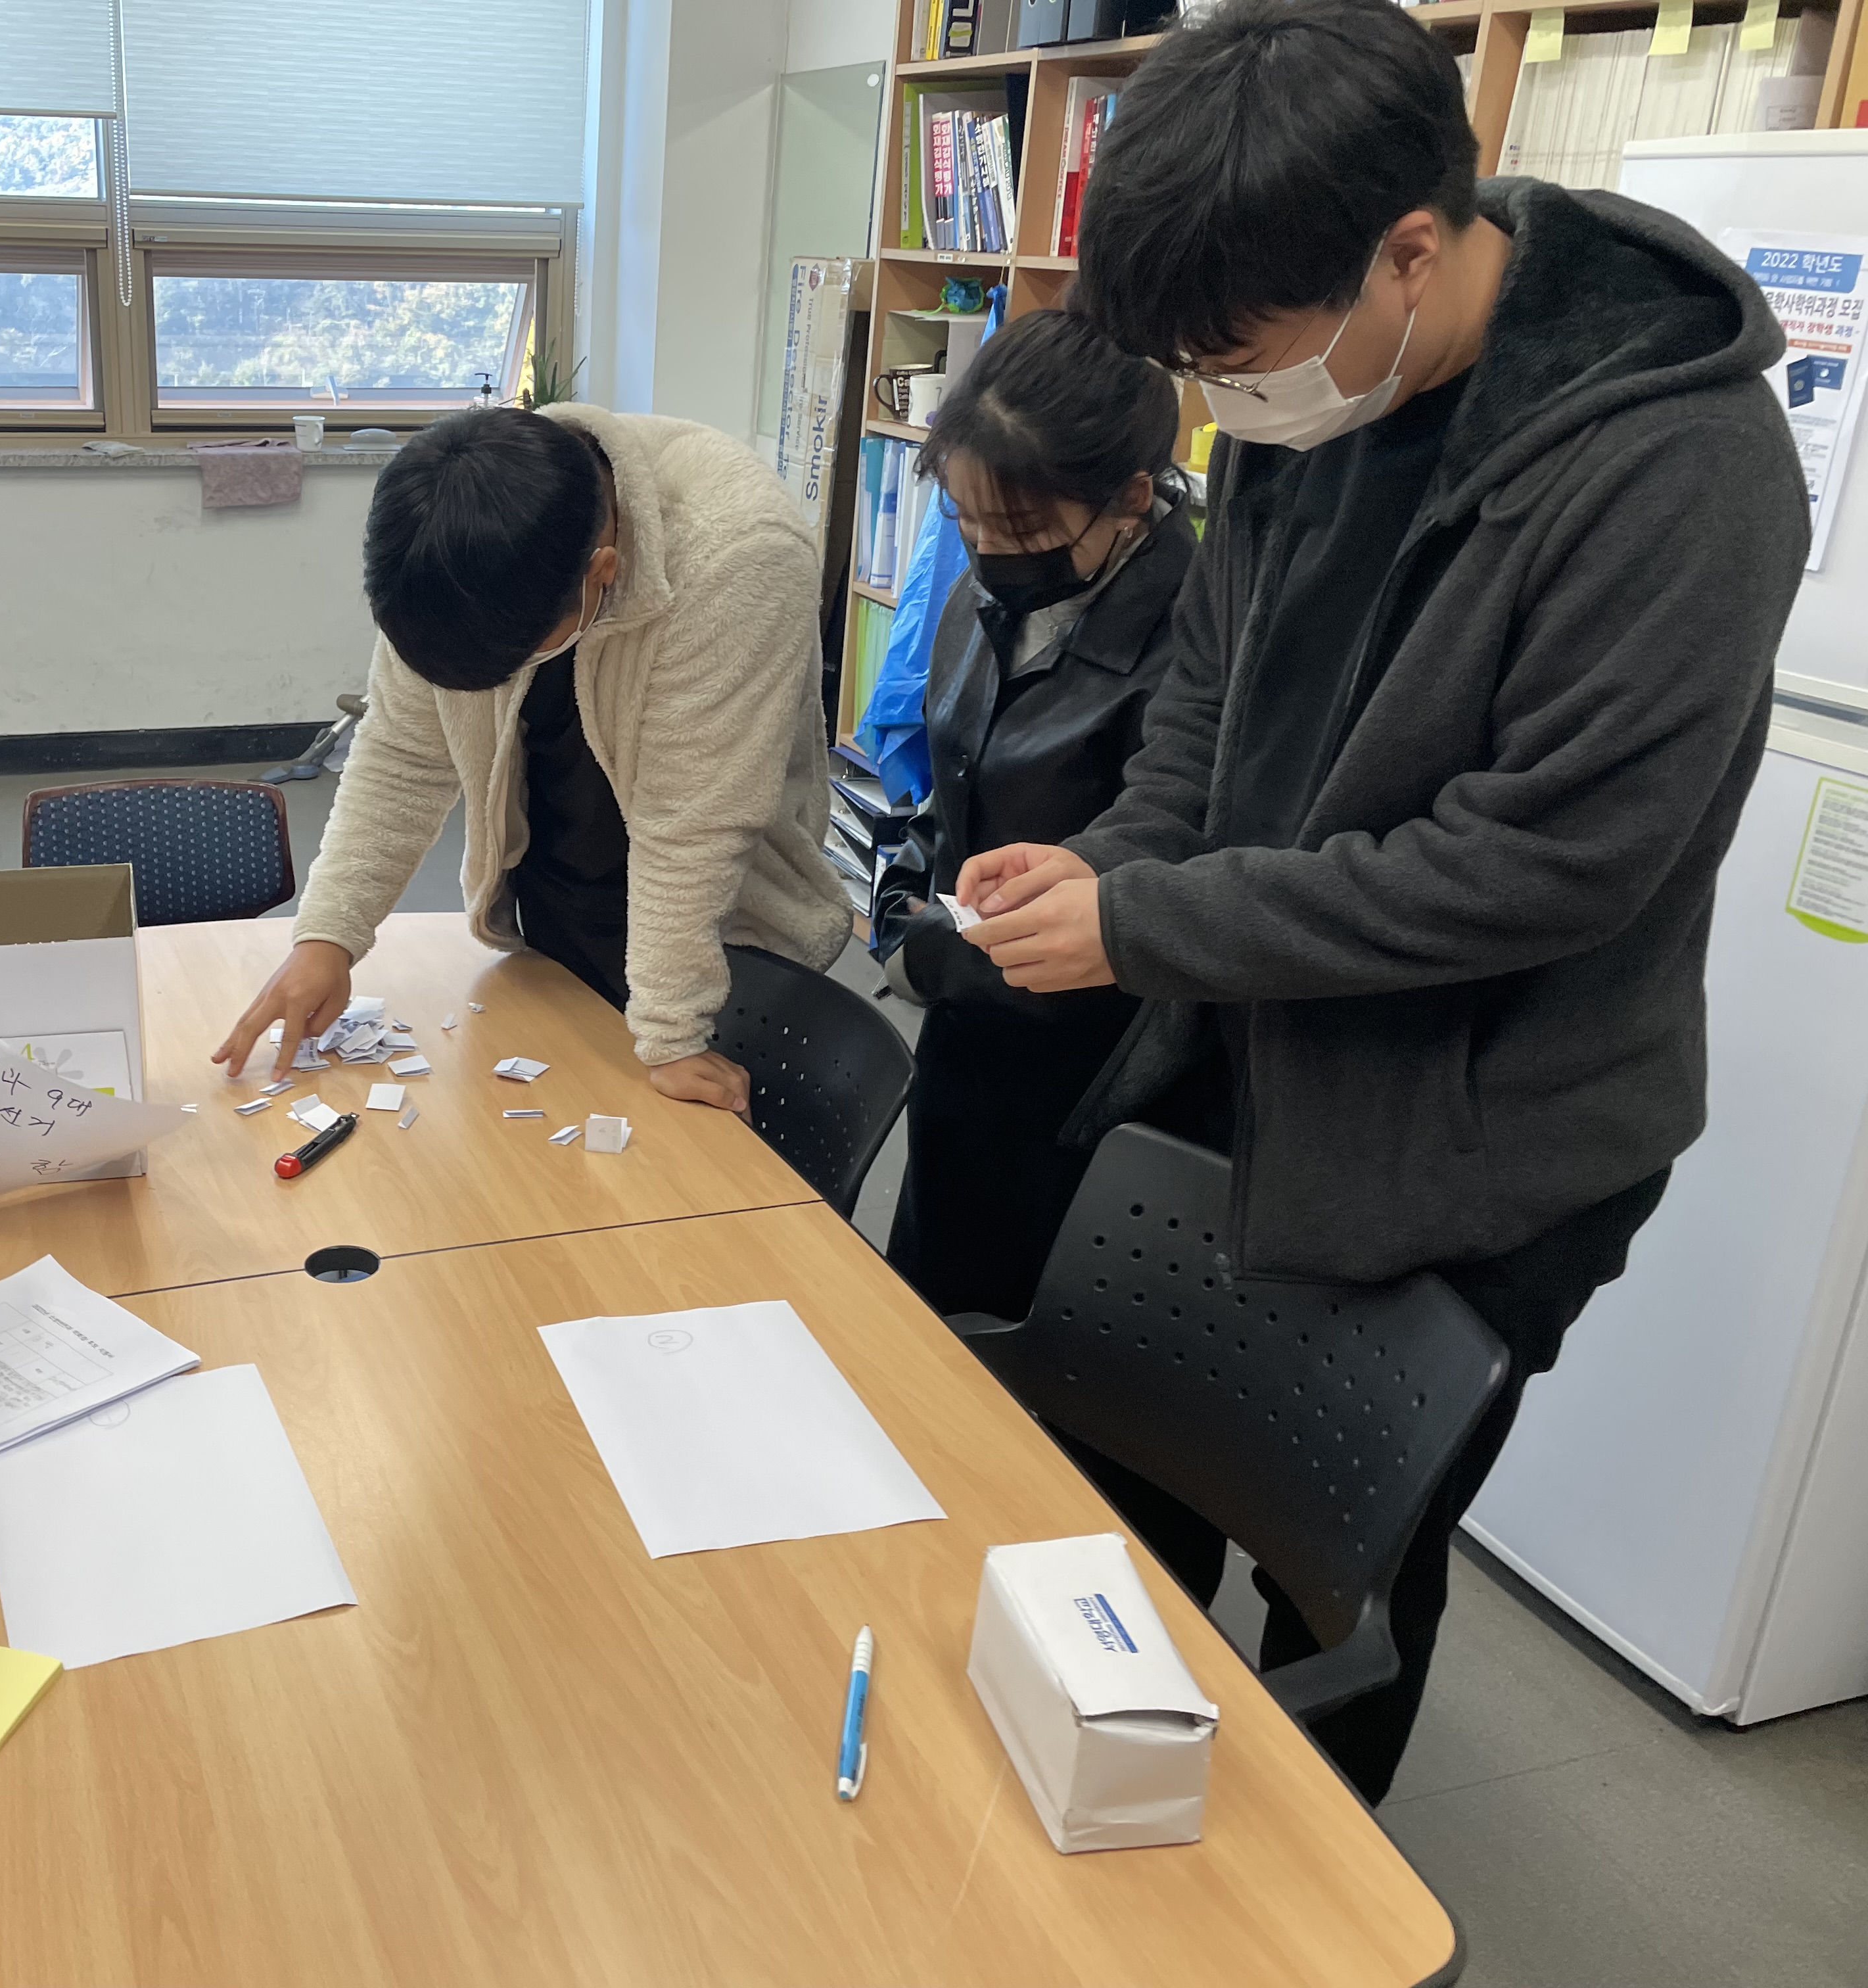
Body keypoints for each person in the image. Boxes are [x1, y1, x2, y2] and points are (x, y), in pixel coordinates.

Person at [950, 0, 1810, 1803]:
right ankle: (1113, 1810)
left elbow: (1546, 866)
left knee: (1340, 1569)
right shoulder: (1313, 381)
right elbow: (1203, 720)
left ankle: (1297, 1875)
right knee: (1137, 1476)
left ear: (1409, 253)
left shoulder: (1680, 465)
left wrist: (1150, 928)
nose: (1222, 407)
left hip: (1478, 1135)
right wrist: (1114, 861)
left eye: (1235, 358)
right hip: (1249, 1044)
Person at [214, 404, 852, 1111]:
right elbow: (402, 758)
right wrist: (327, 938)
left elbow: (692, 828)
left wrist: (673, 1032)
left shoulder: (738, 554)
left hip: (720, 952)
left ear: (603, 572)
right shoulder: (455, 536)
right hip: (557, 918)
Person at [872, 311, 1197, 1325]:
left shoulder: (1195, 643)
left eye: (1015, 531)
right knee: (922, 1315)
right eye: (966, 521)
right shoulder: (986, 589)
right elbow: (954, 779)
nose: (985, 550)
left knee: (1035, 1349)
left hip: (1092, 1067)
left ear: (1132, 498)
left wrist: (935, 956)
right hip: (966, 1024)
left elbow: (1168, 873)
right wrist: (905, 907)